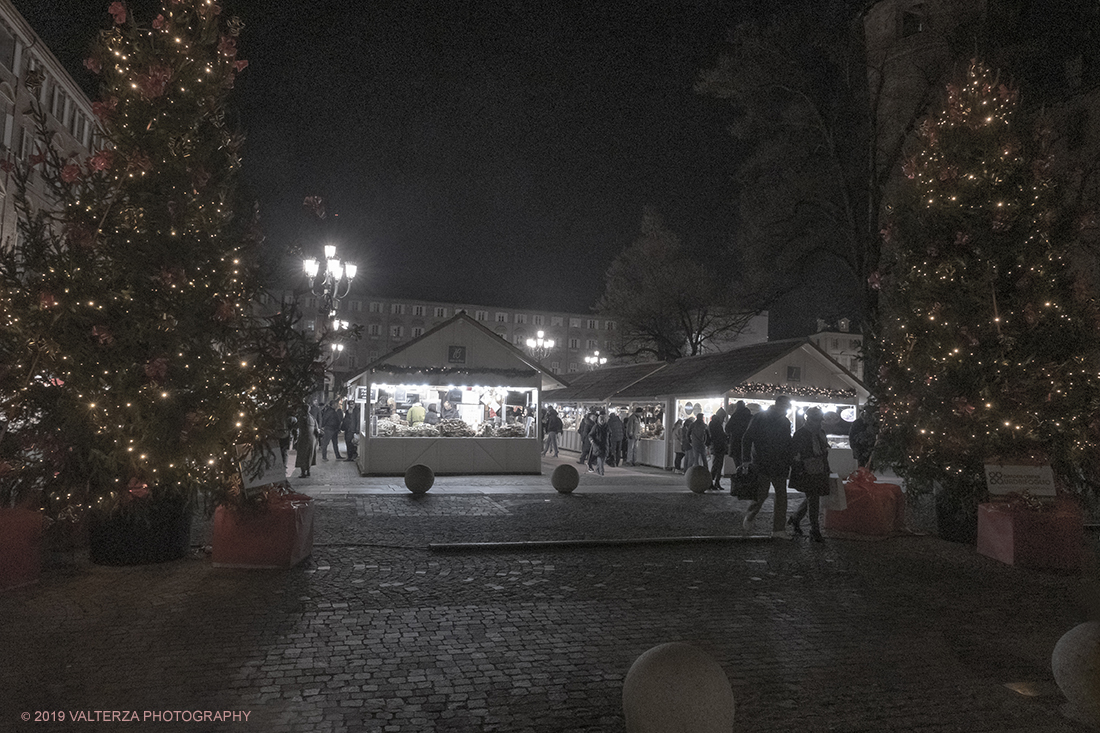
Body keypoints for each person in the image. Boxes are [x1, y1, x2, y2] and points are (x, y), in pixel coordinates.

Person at [741, 395, 793, 538]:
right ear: (779, 405)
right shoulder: (766, 419)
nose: (787, 409)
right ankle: (772, 526)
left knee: (778, 496)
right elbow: (747, 438)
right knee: (763, 494)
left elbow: (787, 443)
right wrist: (746, 459)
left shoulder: (774, 419)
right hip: (765, 462)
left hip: (772, 462)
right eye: (786, 406)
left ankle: (778, 529)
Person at [788, 406, 830, 542]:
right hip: (806, 471)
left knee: (813, 497)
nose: (818, 423)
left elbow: (824, 452)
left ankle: (796, 518)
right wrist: (799, 468)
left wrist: (826, 468)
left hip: (819, 469)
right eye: (816, 420)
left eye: (819, 420)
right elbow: (796, 454)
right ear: (810, 419)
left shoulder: (820, 433)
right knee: (813, 498)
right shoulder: (801, 434)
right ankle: (814, 529)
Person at [724, 401, 753, 469]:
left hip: (736, 443)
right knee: (748, 465)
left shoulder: (735, 416)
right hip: (748, 444)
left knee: (737, 464)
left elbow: (727, 429)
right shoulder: (750, 416)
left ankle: (739, 476)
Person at [294, 405, 318, 478]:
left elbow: (297, 426)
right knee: (309, 455)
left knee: (302, 455)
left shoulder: (302, 417)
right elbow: (316, 429)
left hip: (304, 439)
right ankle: (308, 471)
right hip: (312, 439)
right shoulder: (312, 417)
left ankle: (303, 472)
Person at [707, 407, 728, 490]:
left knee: (718, 465)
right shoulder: (715, 424)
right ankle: (712, 482)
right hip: (717, 446)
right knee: (717, 465)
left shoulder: (714, 423)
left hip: (718, 446)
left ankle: (715, 482)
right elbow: (716, 436)